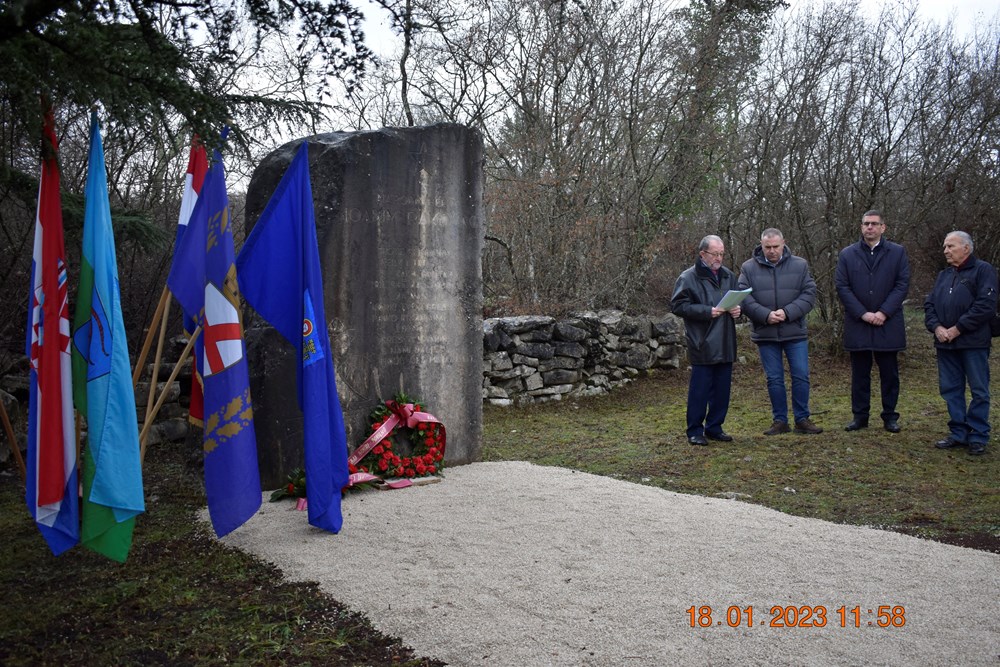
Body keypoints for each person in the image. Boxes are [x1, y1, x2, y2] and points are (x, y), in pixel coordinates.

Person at [737, 228, 822, 435]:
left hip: (794, 331)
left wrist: (787, 312)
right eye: (768, 247)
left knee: (801, 375)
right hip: (766, 332)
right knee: (774, 379)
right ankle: (780, 420)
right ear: (761, 244)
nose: (772, 251)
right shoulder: (748, 268)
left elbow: (809, 294)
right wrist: (766, 315)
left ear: (784, 243)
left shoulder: (800, 265)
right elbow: (743, 297)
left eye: (776, 247)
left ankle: (802, 419)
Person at [834, 210, 910, 433]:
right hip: (858, 324)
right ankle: (860, 416)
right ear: (861, 227)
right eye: (866, 223)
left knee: (889, 374)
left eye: (874, 224)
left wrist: (884, 312)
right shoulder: (847, 254)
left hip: (888, 323)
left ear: (883, 228)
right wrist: (862, 313)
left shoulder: (897, 253)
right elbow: (842, 287)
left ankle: (890, 416)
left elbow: (902, 284)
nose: (870, 227)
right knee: (859, 374)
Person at [924, 231, 997, 456]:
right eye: (945, 246)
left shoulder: (984, 270)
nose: (946, 250)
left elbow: (986, 305)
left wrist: (957, 329)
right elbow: (929, 304)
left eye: (951, 246)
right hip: (945, 343)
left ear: (966, 248)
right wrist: (937, 327)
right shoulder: (944, 275)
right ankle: (958, 433)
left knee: (979, 390)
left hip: (973, 342)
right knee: (950, 389)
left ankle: (977, 434)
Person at [670, 235, 742, 445]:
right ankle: (694, 430)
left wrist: (738, 310)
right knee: (700, 390)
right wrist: (707, 311)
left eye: (721, 254)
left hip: (725, 340)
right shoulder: (688, 278)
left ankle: (715, 427)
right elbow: (678, 306)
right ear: (703, 254)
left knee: (722, 390)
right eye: (715, 254)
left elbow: (737, 300)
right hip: (702, 341)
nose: (719, 258)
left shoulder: (729, 276)